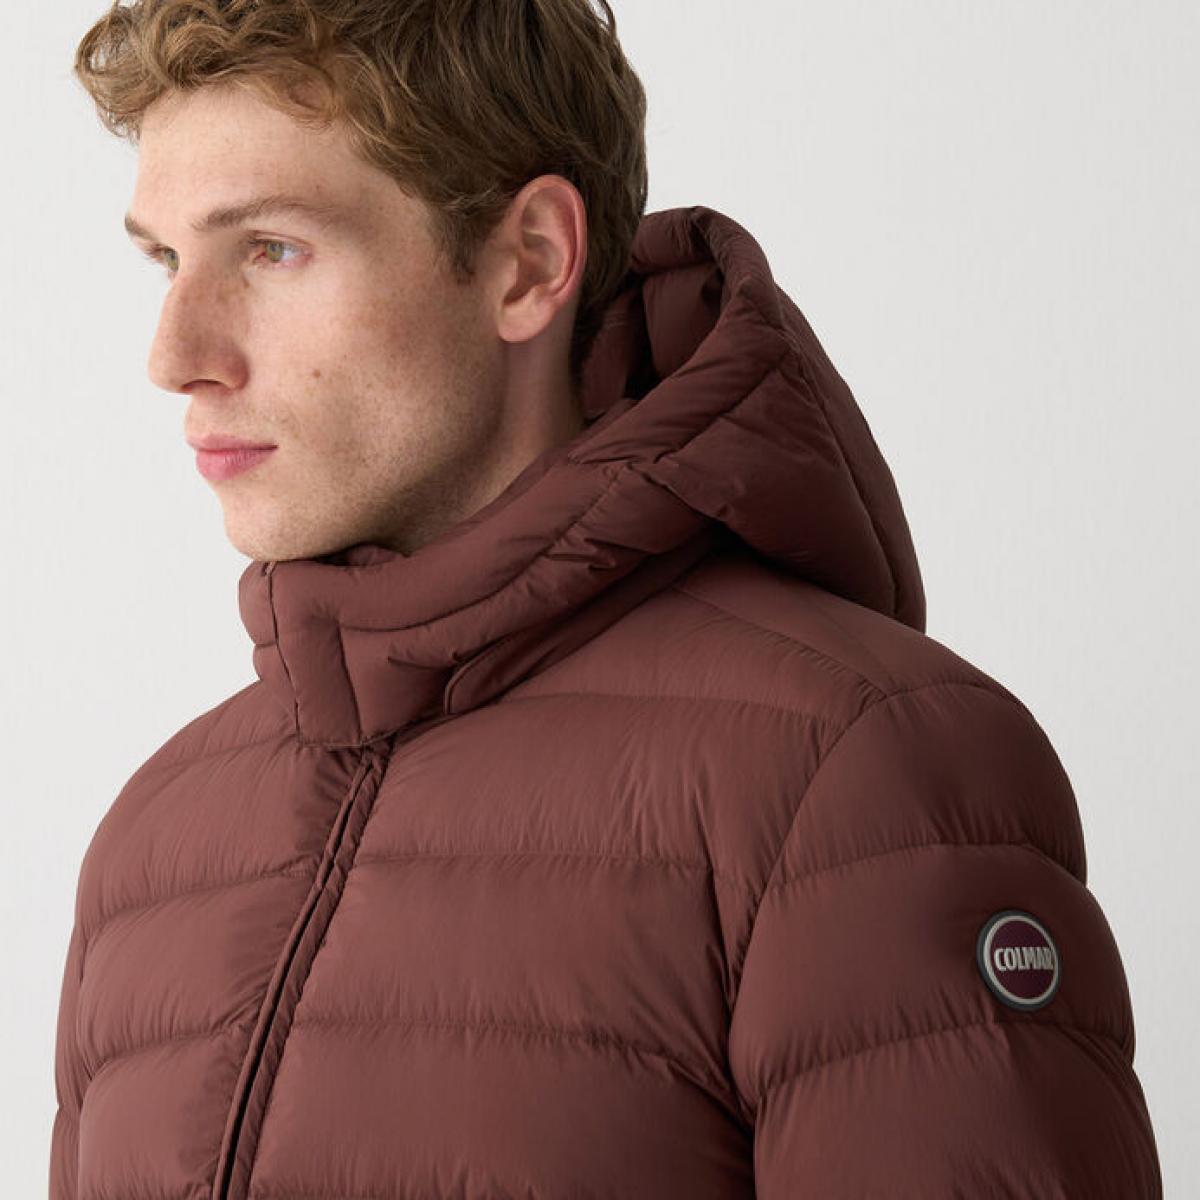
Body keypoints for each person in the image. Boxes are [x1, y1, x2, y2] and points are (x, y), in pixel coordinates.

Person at [52, 1, 1162, 1197]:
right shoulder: (155, 845)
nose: (176, 355)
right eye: (166, 259)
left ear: (530, 262)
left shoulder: (854, 776)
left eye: (270, 249)